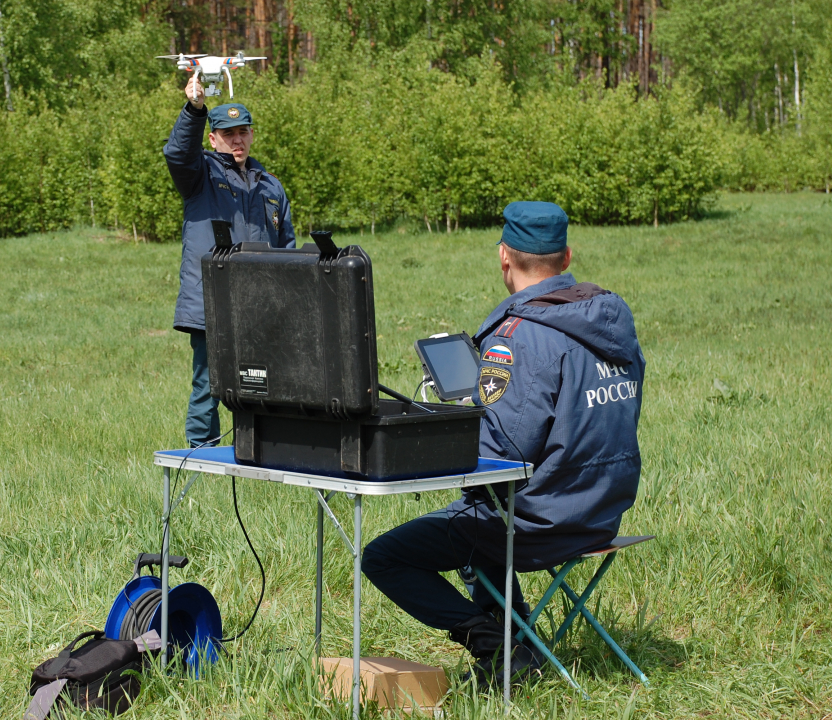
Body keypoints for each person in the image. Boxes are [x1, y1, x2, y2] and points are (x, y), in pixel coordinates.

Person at [361, 201, 646, 686]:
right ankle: (520, 643)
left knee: (384, 555)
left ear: (504, 258)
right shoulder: (610, 320)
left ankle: (494, 646)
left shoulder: (519, 337)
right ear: (567, 256)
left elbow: (500, 452)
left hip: (540, 523)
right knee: (482, 514)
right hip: (601, 512)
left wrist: (449, 423)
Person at [163, 74, 295, 448]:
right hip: (212, 300)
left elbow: (286, 245)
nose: (237, 140)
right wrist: (195, 109)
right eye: (228, 133)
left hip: (260, 304)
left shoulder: (270, 185)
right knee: (209, 383)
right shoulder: (199, 174)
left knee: (261, 380)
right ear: (213, 137)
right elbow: (176, 152)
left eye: (243, 132)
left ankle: (258, 450)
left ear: (251, 135)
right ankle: (201, 455)